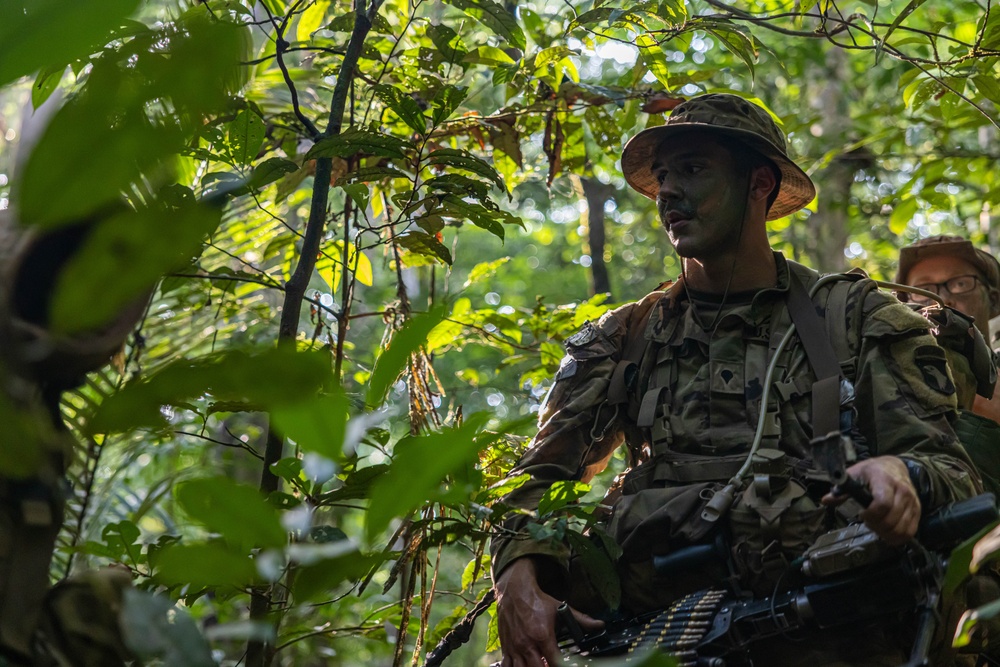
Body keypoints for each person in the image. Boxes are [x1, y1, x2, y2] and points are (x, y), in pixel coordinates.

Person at [491, 94, 982, 667]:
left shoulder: (855, 319)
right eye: (664, 176)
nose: (668, 191)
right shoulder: (624, 338)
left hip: (833, 639)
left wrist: (902, 472)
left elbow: (955, 476)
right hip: (663, 639)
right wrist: (518, 575)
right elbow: (537, 483)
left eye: (694, 169)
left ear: (760, 184)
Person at [896, 235, 1000, 424]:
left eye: (960, 284)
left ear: (993, 300)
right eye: (924, 289)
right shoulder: (884, 377)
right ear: (904, 306)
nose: (941, 301)